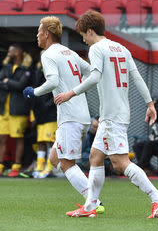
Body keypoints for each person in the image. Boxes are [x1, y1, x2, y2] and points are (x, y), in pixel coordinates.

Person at [55, 10, 158, 219]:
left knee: (120, 162)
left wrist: (71, 92)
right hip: (117, 112)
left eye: (83, 35)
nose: (84, 39)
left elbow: (95, 76)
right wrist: (150, 104)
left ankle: (157, 197)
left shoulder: (97, 48)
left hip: (112, 115)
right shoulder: (121, 48)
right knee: (95, 157)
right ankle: (90, 206)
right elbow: (137, 78)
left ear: (90, 30)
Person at [23, 16, 105, 213]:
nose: (37, 36)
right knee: (54, 158)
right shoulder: (70, 53)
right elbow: (91, 71)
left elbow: (52, 81)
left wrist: (33, 92)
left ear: (46, 34)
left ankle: (93, 202)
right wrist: (75, 87)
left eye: (38, 32)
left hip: (71, 117)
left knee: (66, 163)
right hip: (80, 114)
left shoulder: (49, 54)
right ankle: (92, 200)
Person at [0, 44, 32, 177]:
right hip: (4, 110)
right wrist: (9, 82)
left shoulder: (26, 69)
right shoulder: (6, 67)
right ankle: (1, 165)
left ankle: (16, 166)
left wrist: (8, 82)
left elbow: (21, 86)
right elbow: (1, 81)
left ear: (18, 52)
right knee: (2, 138)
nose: (9, 52)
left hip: (18, 111)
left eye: (11, 50)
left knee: (18, 138)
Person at [30, 57, 58, 178]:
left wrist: (48, 105)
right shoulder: (39, 72)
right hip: (40, 114)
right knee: (41, 141)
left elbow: (56, 90)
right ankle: (39, 167)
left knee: (51, 142)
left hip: (51, 114)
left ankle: (49, 168)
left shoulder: (54, 72)